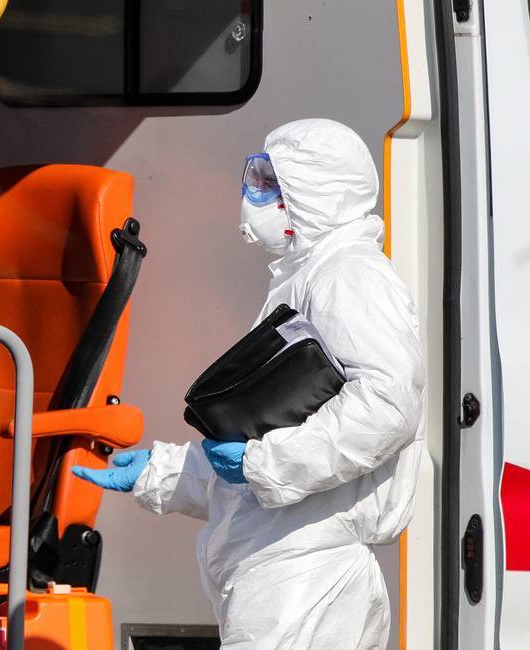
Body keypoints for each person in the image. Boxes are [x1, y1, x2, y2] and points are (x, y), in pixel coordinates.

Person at [73, 118, 426, 649]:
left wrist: (266, 462)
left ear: (314, 191)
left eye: (270, 181)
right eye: (255, 177)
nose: (253, 194)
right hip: (284, 573)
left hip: (307, 582)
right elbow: (268, 443)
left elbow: (387, 406)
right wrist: (164, 472)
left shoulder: (349, 275)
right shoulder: (306, 277)